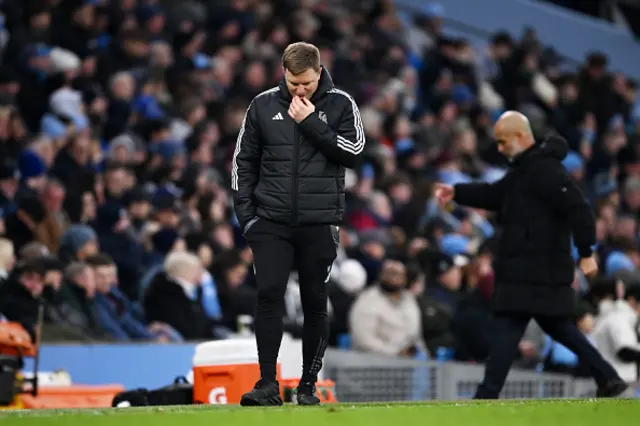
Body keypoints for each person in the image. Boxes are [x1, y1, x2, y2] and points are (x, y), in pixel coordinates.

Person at [434, 111, 629, 399]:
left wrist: (587, 252)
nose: (500, 148)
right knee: (551, 328)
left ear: (521, 137)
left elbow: (580, 210)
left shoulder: (547, 171)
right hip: (528, 273)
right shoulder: (524, 171)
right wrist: (458, 192)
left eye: (503, 142)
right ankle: (607, 376)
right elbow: (493, 194)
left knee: (512, 328)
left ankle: (487, 394)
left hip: (537, 272)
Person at [231, 42, 365, 406]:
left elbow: (353, 153)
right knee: (268, 293)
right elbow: (243, 162)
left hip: (319, 221)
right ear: (284, 74)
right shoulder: (262, 105)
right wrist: (248, 218)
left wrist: (311, 123)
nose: (299, 90)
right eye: (293, 84)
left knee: (314, 301)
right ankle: (266, 384)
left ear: (318, 72)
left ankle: (308, 386)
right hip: (270, 221)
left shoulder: (340, 104)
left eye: (305, 83)